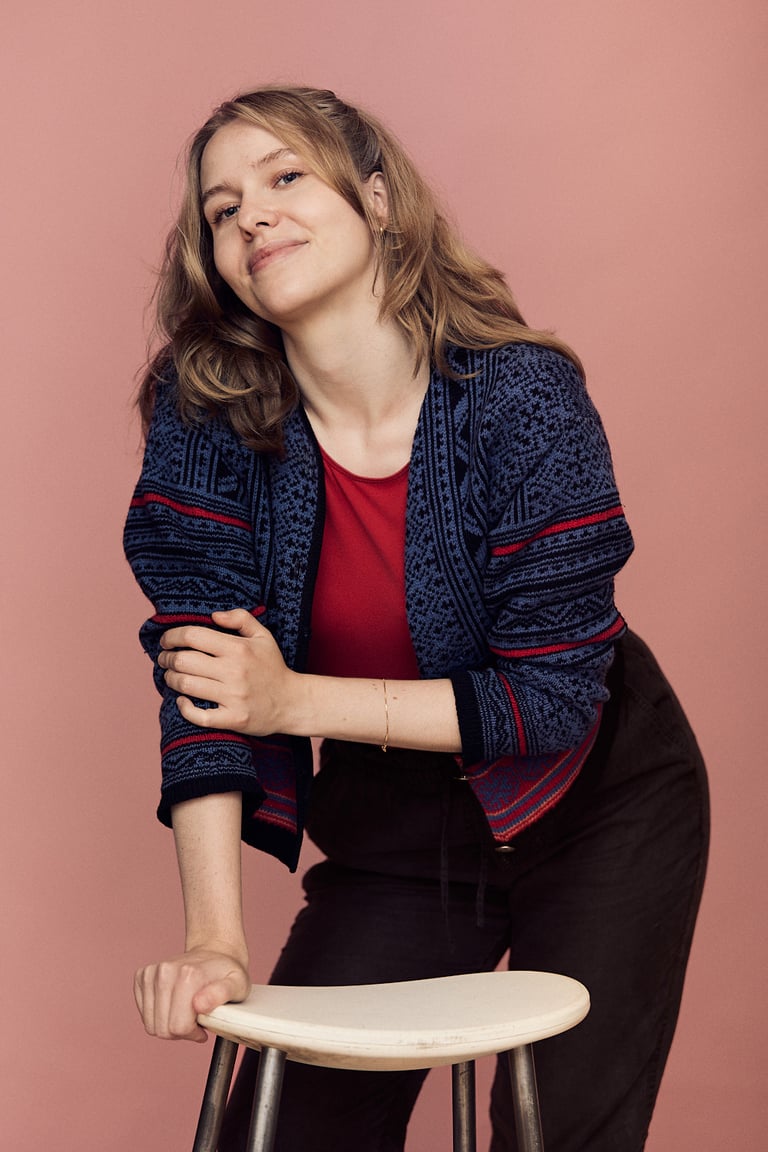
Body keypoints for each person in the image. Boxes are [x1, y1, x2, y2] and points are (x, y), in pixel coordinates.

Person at [124, 86, 709, 1152]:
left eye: (285, 177)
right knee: (294, 1129)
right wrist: (213, 941)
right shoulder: (206, 412)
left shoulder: (520, 398)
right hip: (395, 821)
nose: (250, 215)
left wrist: (295, 699)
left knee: (562, 1134)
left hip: (599, 803)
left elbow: (549, 701)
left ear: (379, 199)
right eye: (220, 208)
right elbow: (206, 684)